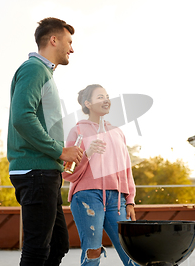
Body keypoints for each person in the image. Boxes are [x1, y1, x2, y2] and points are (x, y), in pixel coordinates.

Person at [7, 17, 83, 266]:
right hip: (35, 172)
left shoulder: (44, 73)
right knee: (37, 250)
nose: (72, 48)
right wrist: (59, 150)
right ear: (53, 40)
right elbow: (22, 117)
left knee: (57, 245)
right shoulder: (34, 69)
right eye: (69, 42)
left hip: (44, 171)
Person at [63, 84, 138, 266]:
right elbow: (67, 172)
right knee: (93, 250)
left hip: (117, 199)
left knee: (131, 250)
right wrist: (87, 154)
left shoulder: (117, 133)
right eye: (100, 97)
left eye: (107, 96)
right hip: (87, 196)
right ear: (87, 103)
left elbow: (126, 168)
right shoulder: (78, 131)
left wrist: (130, 200)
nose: (106, 100)